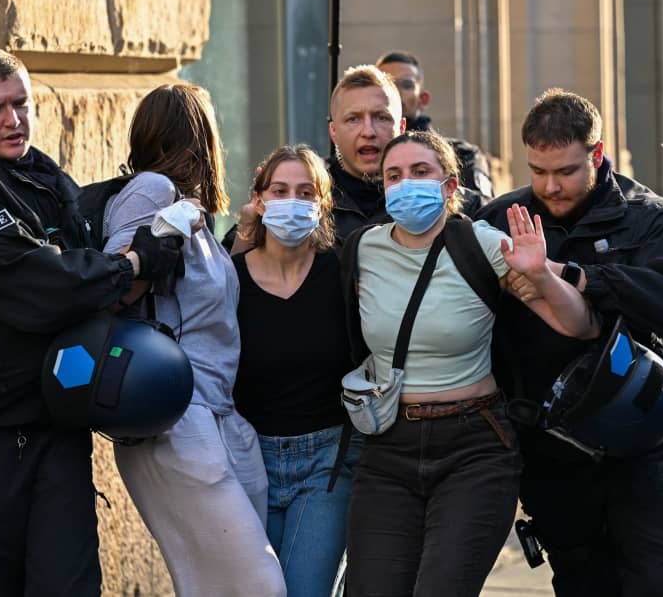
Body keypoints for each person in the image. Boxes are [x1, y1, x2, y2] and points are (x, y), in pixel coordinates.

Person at [0, 47, 179, 596]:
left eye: (21, 103)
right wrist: (131, 263)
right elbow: (39, 285)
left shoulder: (41, 175)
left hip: (54, 421)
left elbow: (79, 254)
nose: (12, 120)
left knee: (71, 584)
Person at [477, 87, 663, 596]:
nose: (551, 186)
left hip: (635, 436)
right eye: (538, 172)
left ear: (597, 154)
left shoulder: (650, 217)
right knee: (585, 583)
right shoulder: (503, 220)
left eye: (565, 171)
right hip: (549, 445)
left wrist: (573, 276)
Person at [345, 130, 600, 596]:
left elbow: (579, 325)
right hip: (387, 449)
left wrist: (541, 274)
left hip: (474, 448)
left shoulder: (481, 244)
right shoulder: (363, 250)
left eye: (420, 172)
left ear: (449, 184)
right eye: (394, 176)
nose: (406, 184)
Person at [103, 83, 286, 597]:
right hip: (177, 421)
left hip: (218, 415)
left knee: (217, 585)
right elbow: (117, 282)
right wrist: (163, 230)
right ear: (200, 138)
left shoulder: (193, 215)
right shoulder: (152, 192)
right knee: (257, 584)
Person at [231, 144, 362, 597]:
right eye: (280, 190)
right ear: (259, 200)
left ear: (323, 204)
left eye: (306, 192)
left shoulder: (342, 272)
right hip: (250, 461)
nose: (293, 201)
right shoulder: (230, 279)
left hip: (327, 461)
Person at [227, 64, 405, 254]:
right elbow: (230, 273)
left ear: (402, 128)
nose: (368, 131)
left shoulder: (423, 194)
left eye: (382, 118)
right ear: (333, 131)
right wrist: (249, 224)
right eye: (353, 119)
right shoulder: (303, 189)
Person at [376, 50, 494, 213]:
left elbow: (484, 212)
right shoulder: (368, 156)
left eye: (406, 85)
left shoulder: (464, 155)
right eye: (387, 85)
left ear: (423, 99)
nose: (395, 92)